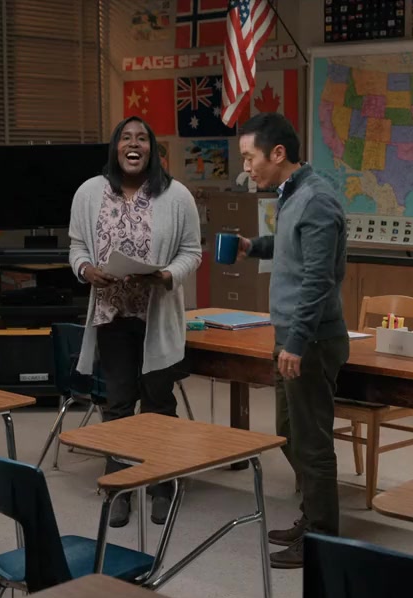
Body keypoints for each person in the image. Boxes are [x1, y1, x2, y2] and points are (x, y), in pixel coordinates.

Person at [68, 116, 203, 528]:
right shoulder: (89, 192)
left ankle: (161, 484)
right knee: (118, 404)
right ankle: (120, 487)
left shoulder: (177, 195)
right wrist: (85, 269)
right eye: (126, 137)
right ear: (115, 148)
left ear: (152, 149)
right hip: (112, 315)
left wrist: (165, 275)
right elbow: (76, 246)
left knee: (158, 402)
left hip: (157, 315)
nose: (134, 144)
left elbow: (192, 252)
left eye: (142, 138)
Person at [235, 112, 349, 569]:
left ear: (278, 153)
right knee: (290, 435)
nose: (247, 168)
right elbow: (290, 248)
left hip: (312, 340)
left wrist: (297, 342)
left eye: (250, 158)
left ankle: (323, 537)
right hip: (292, 335)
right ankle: (313, 516)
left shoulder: (317, 200)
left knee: (313, 443)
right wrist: (253, 246)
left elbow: (318, 280)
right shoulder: (292, 195)